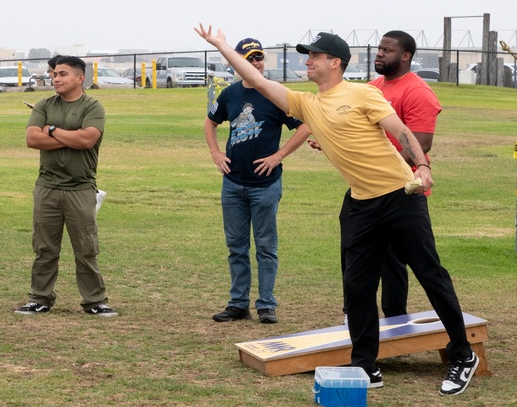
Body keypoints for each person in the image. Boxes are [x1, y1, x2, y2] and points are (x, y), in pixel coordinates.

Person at [195, 25, 478, 396]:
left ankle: (462, 354)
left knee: (430, 275)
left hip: (399, 197)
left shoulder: (362, 93)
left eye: (314, 56)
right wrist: (220, 46)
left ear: (335, 62)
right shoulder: (306, 104)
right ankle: (365, 365)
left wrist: (422, 167)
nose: (307, 61)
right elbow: (255, 79)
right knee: (357, 288)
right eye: (307, 56)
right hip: (360, 203)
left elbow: (402, 131)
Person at [204, 38, 311, 325]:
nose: (255, 64)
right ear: (237, 62)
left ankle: (266, 305)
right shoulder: (229, 95)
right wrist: (216, 153)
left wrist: (279, 155)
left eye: (259, 58)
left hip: (265, 185)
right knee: (236, 247)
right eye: (249, 59)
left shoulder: (276, 95)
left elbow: (305, 126)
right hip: (233, 184)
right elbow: (210, 122)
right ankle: (238, 303)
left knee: (265, 246)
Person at [340, 30, 442, 319]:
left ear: (406, 56)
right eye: (379, 49)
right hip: (365, 187)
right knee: (353, 251)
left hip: (401, 188)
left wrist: (377, 163)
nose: (380, 54)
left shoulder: (417, 91)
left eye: (388, 50)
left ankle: (395, 322)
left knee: (393, 261)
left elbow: (420, 144)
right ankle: (355, 316)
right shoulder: (373, 88)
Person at [15, 55, 116, 317]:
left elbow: (87, 140)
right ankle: (40, 298)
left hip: (80, 188)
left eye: (62, 74)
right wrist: (68, 136)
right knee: (45, 248)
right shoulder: (44, 104)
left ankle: (94, 302)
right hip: (47, 186)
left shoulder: (93, 107)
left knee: (86, 248)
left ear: (80, 78)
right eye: (54, 74)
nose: (55, 78)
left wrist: (50, 130)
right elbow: (31, 139)